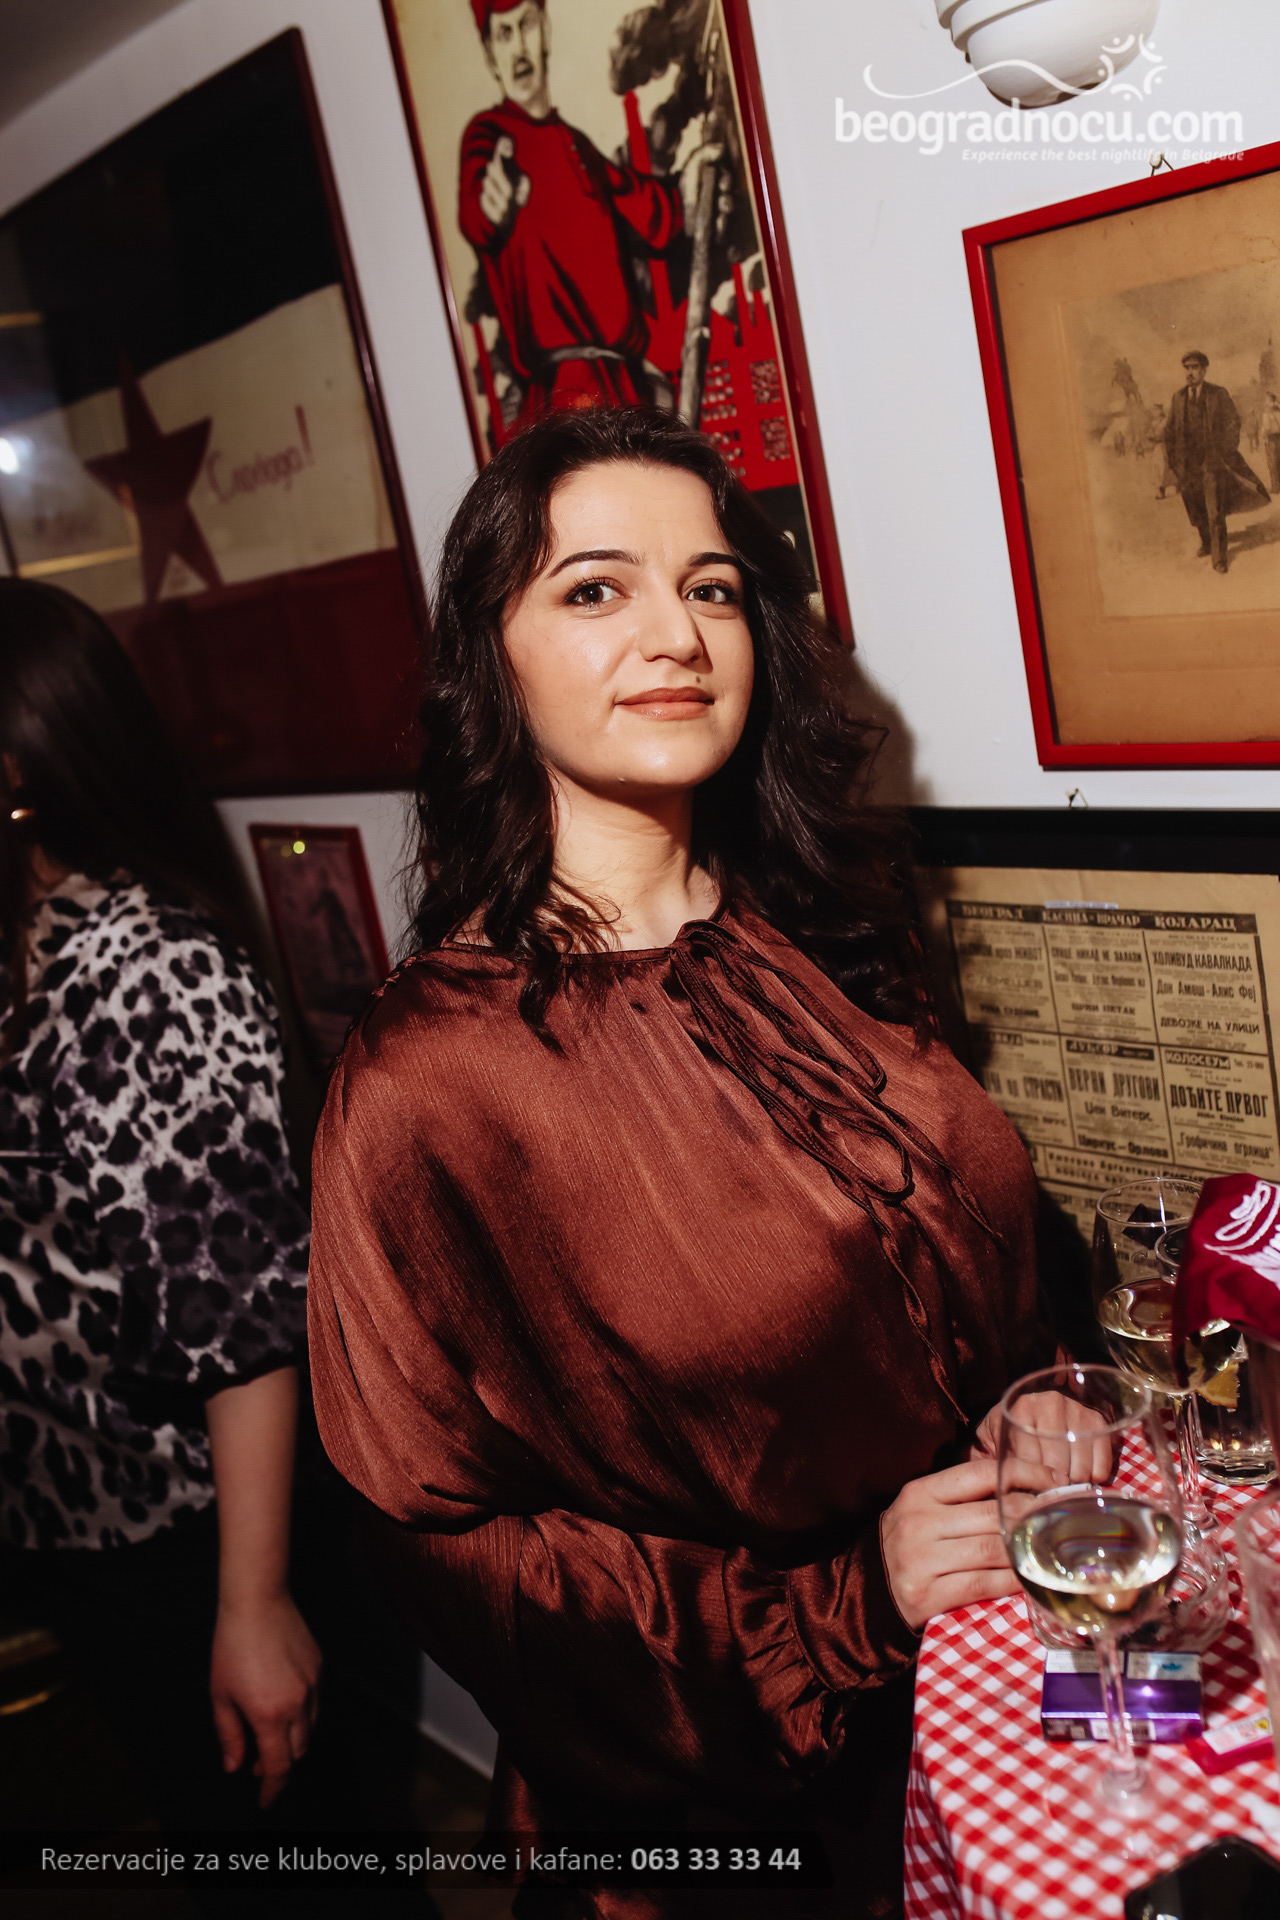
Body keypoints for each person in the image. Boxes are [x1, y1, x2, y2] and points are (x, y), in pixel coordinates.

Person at [308, 407, 1054, 1920]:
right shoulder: (430, 1079)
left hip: (989, 1696)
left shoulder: (823, 933)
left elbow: (949, 1272)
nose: (677, 635)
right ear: (492, 658)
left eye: (711, 587)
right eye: (596, 588)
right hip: (731, 1829)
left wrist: (1036, 1397)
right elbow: (449, 1551)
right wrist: (848, 1603)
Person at [0, 578, 318, 1835]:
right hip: (65, 1511)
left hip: (185, 1529)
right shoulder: (27, 938)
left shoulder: (152, 969)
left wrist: (253, 1606)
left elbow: (242, 1318)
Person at [459, 0, 719, 424]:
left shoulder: (578, 145)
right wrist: (493, 201)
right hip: (565, 402)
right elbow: (478, 211)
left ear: (545, 30)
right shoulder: (487, 136)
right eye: (504, 34)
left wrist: (689, 182)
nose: (519, 47)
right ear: (490, 53)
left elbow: (651, 212)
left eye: (526, 25)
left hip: (623, 387)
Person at [1164, 350, 1269, 573]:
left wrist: (1224, 451)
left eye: (1194, 368)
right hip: (1187, 467)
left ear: (1204, 370)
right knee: (1196, 509)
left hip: (1212, 463)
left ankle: (1219, 558)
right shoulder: (1178, 398)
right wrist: (1174, 463)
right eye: (1187, 368)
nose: (1190, 372)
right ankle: (1206, 542)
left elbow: (1233, 423)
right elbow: (1169, 432)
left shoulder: (1218, 394)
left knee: (1215, 511)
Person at [1261, 391, 1280, 495]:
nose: (1265, 402)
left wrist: (1264, 436)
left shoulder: (1267, 413)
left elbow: (1267, 428)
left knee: (1272, 463)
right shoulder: (1279, 410)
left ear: (1270, 401)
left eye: (1266, 400)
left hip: (1271, 439)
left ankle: (1275, 488)